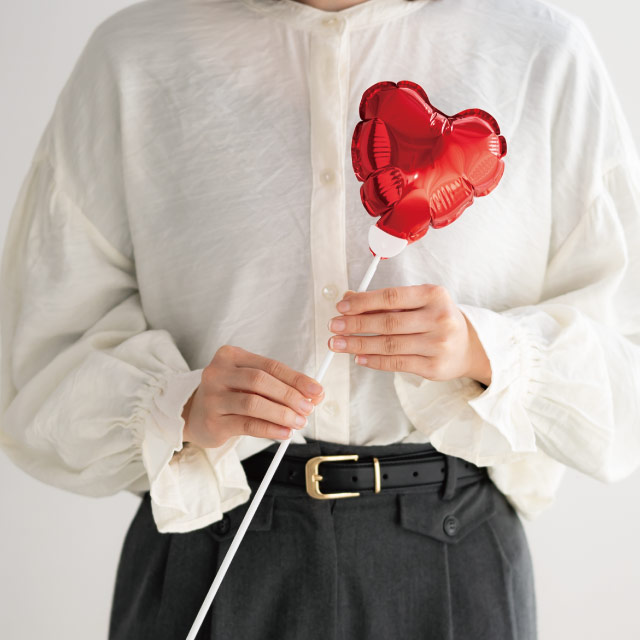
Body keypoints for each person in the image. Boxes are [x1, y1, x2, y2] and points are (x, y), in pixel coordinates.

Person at [2, 0, 640, 638]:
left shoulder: (539, 51)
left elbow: (627, 371)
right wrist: (177, 406)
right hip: (212, 543)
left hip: (453, 559)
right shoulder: (135, 57)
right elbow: (39, 360)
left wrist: (485, 351)